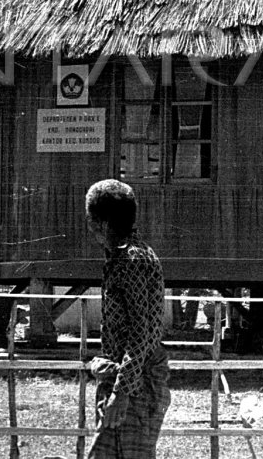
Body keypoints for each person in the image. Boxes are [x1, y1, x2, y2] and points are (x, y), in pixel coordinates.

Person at [85, 179, 170, 458]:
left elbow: (141, 335)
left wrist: (121, 395)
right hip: (122, 381)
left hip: (136, 387)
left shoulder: (133, 261)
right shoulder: (118, 259)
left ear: (103, 223)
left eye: (91, 219)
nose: (89, 226)